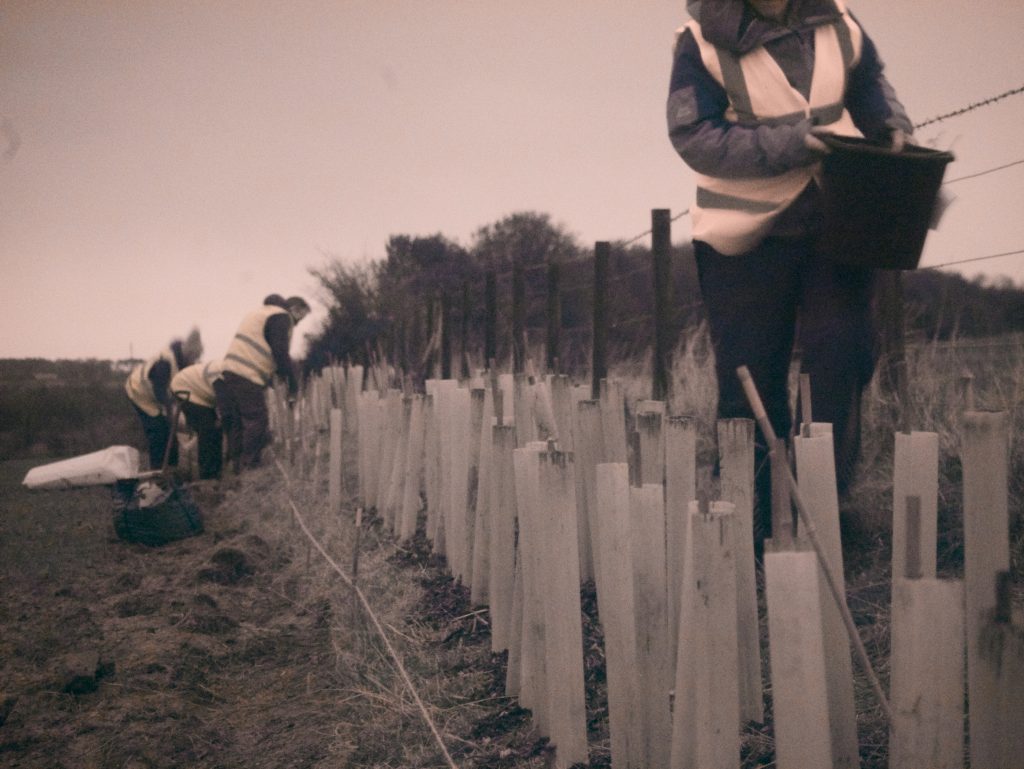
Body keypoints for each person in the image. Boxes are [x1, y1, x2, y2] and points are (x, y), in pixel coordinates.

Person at [666, 0, 914, 545]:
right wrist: (788, 144)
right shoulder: (699, 41)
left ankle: (822, 515)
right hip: (744, 235)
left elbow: (868, 82)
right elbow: (693, 136)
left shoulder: (841, 20)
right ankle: (754, 525)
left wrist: (889, 125)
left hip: (838, 219)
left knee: (841, 355)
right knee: (749, 378)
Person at [221, 294, 311, 470]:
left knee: (240, 421)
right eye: (301, 316)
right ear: (295, 310)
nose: (299, 322)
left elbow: (265, 350)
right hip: (246, 373)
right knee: (257, 418)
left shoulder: (261, 314)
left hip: (230, 370)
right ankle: (250, 467)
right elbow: (280, 352)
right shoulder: (281, 317)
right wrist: (292, 383)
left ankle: (236, 467)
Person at [125, 327, 203, 471]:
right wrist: (172, 412)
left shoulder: (183, 363)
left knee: (170, 433)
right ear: (188, 353)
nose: (194, 361)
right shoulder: (165, 362)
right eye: (193, 358)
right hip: (138, 392)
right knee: (158, 431)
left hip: (155, 396)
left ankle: (171, 470)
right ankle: (157, 473)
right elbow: (160, 392)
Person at [170, 359, 227, 480]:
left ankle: (217, 472)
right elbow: (226, 409)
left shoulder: (232, 375)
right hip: (185, 387)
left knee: (216, 430)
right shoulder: (221, 377)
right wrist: (222, 420)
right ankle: (207, 476)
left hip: (201, 391)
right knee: (207, 429)